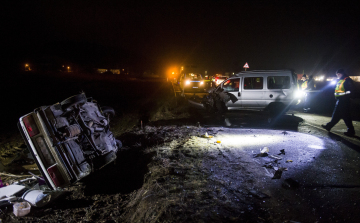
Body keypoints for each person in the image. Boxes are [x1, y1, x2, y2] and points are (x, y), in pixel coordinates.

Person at [321, 69, 355, 137]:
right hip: (340, 100)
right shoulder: (340, 80)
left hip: (344, 101)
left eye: (338, 74)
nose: (337, 75)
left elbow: (351, 90)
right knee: (343, 115)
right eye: (337, 74)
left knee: (340, 115)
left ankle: (350, 130)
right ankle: (350, 130)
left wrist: (346, 97)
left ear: (342, 73)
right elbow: (337, 89)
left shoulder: (347, 80)